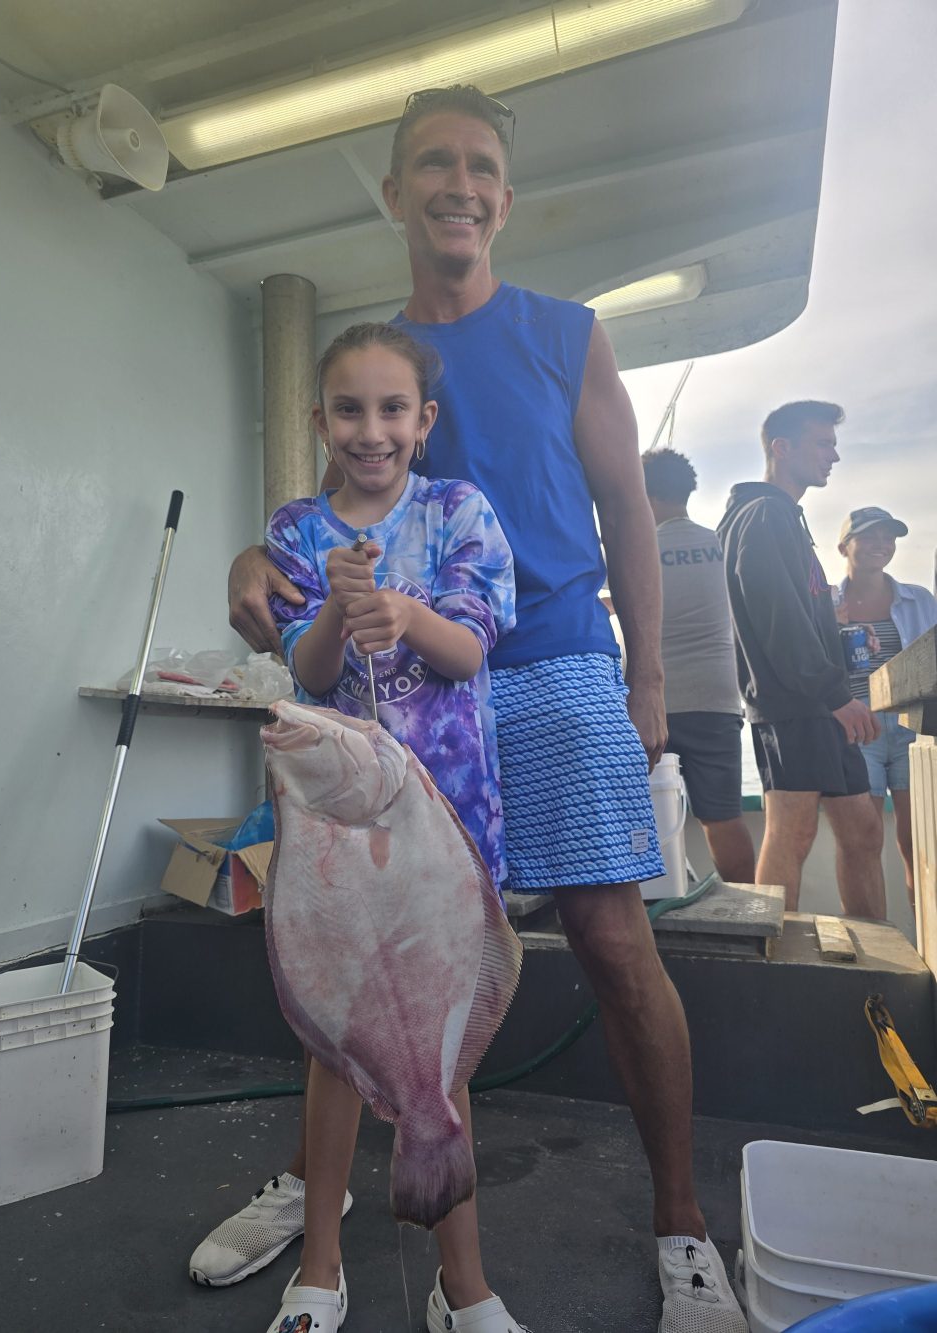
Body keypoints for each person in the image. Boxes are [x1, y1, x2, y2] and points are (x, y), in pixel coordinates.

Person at [213, 85, 748, 1332]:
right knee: (369, 950)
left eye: (481, 167)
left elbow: (626, 506)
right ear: (394, 196)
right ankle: (332, 1210)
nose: (459, 184)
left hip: (557, 662)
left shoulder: (567, 332)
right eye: (432, 166)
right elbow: (345, 511)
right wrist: (254, 557)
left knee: (617, 949)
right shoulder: (382, 361)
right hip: (405, 693)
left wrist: (648, 678)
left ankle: (683, 1228)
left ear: (505, 199)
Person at [260, 321, 521, 1333]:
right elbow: (312, 673)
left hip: (447, 831)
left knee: (441, 1057)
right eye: (349, 409)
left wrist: (406, 616)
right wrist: (337, 609)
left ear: (425, 421)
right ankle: (320, 1263)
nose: (371, 430)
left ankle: (464, 1285)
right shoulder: (295, 529)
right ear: (319, 418)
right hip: (337, 836)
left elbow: (465, 649)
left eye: (391, 409)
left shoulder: (460, 510)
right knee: (337, 1042)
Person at [717, 401, 885, 918]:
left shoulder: (784, 517)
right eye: (822, 443)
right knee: (791, 831)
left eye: (833, 444)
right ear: (781, 448)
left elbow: (799, 609)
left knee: (862, 828)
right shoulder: (763, 514)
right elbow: (776, 616)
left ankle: (873, 955)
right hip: (794, 705)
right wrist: (835, 694)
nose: (833, 455)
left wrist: (846, 636)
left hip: (815, 702)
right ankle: (777, 962)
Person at [641, 448, 755, 884]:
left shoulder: (634, 551)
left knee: (651, 809)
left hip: (653, 706)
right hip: (718, 702)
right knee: (722, 818)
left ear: (644, 494)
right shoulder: (722, 543)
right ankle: (745, 907)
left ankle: (658, 896)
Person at [835, 507, 937, 910]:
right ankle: (875, 954)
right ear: (844, 546)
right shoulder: (825, 602)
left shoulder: (921, 600)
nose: (881, 544)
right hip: (858, 731)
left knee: (921, 843)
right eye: (869, 536)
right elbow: (816, 670)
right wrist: (829, 626)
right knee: (862, 842)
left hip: (915, 728)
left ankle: (930, 952)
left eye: (888, 536)